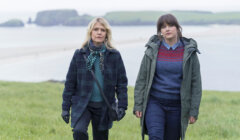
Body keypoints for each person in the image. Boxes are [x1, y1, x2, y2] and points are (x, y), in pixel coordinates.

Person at [133, 14, 202, 140]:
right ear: (160, 31)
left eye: (170, 25)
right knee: (155, 137)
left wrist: (193, 111)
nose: (167, 29)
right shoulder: (152, 50)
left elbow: (196, 83)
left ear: (177, 28)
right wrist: (138, 104)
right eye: (163, 27)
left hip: (177, 106)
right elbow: (141, 79)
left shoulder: (189, 52)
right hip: (155, 103)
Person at [61, 17, 128, 140]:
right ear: (90, 32)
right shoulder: (80, 54)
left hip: (104, 105)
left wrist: (122, 106)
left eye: (103, 30)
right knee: (79, 132)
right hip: (82, 104)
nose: (99, 32)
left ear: (106, 34)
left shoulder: (114, 55)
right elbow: (70, 83)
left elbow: (122, 83)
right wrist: (65, 108)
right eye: (96, 29)